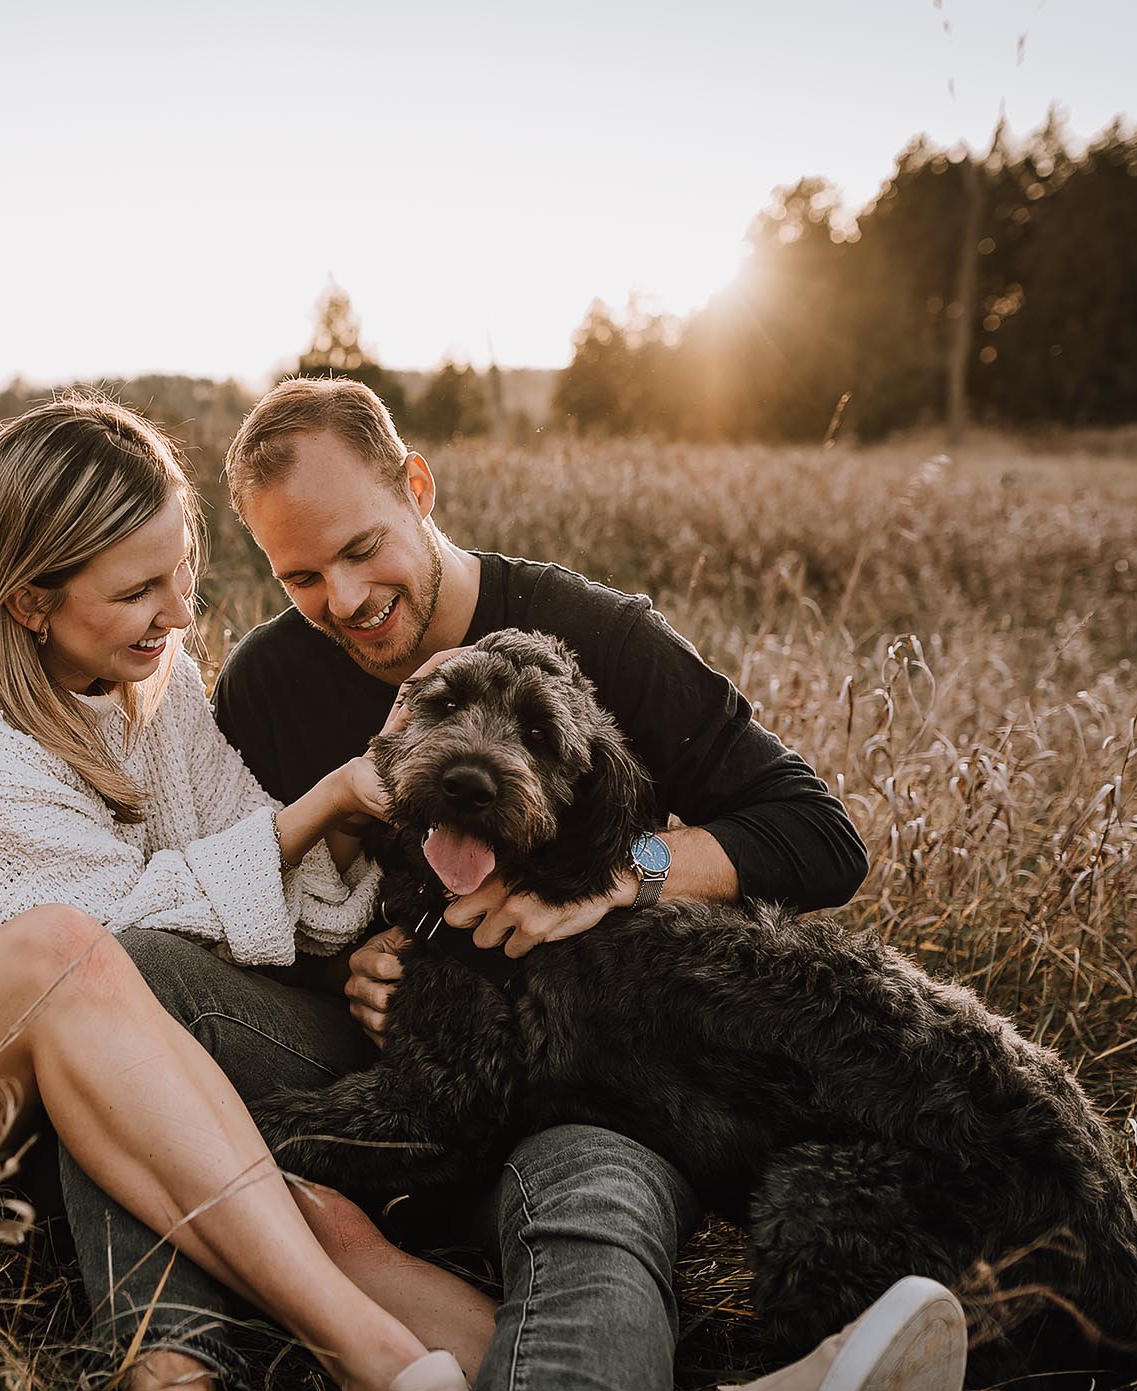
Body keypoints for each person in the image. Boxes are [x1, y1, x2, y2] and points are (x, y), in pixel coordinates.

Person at [55, 377, 967, 1391]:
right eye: (301, 576)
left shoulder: (598, 634)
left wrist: (626, 875)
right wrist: (347, 955)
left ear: (416, 485)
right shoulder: (268, 682)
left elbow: (817, 834)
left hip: (584, 1085)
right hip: (369, 1053)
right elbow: (244, 888)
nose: (345, 601)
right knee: (124, 983)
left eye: (361, 549)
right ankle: (173, 1363)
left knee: (596, 1216)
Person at [0, 395, 491, 1391]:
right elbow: (119, 954)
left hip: (85, 1087)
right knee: (60, 952)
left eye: (180, 568)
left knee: (328, 1227)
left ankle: (544, 1364)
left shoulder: (145, 676)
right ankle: (369, 1355)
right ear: (29, 599)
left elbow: (239, 857)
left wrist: (352, 817)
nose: (181, 612)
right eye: (141, 588)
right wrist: (311, 807)